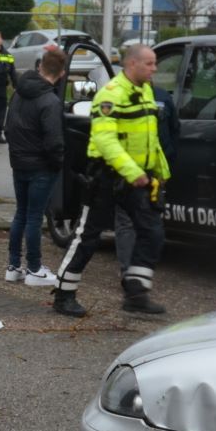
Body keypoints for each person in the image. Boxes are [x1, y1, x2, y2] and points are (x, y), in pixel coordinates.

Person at [49, 43, 169, 318]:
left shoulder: (145, 91)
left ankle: (136, 293)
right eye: (149, 63)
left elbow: (150, 140)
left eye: (154, 63)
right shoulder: (111, 95)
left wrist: (160, 173)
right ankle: (64, 293)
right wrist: (133, 172)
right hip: (107, 177)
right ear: (132, 64)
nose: (154, 69)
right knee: (88, 237)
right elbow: (105, 140)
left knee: (152, 232)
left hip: (137, 179)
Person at [5, 44, 67, 286]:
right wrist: (58, 163)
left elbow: (8, 127)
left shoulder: (19, 92)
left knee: (21, 213)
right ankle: (34, 269)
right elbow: (54, 141)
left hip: (19, 162)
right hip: (41, 166)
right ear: (62, 73)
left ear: (40, 66)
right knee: (34, 217)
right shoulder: (50, 101)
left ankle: (13, 266)